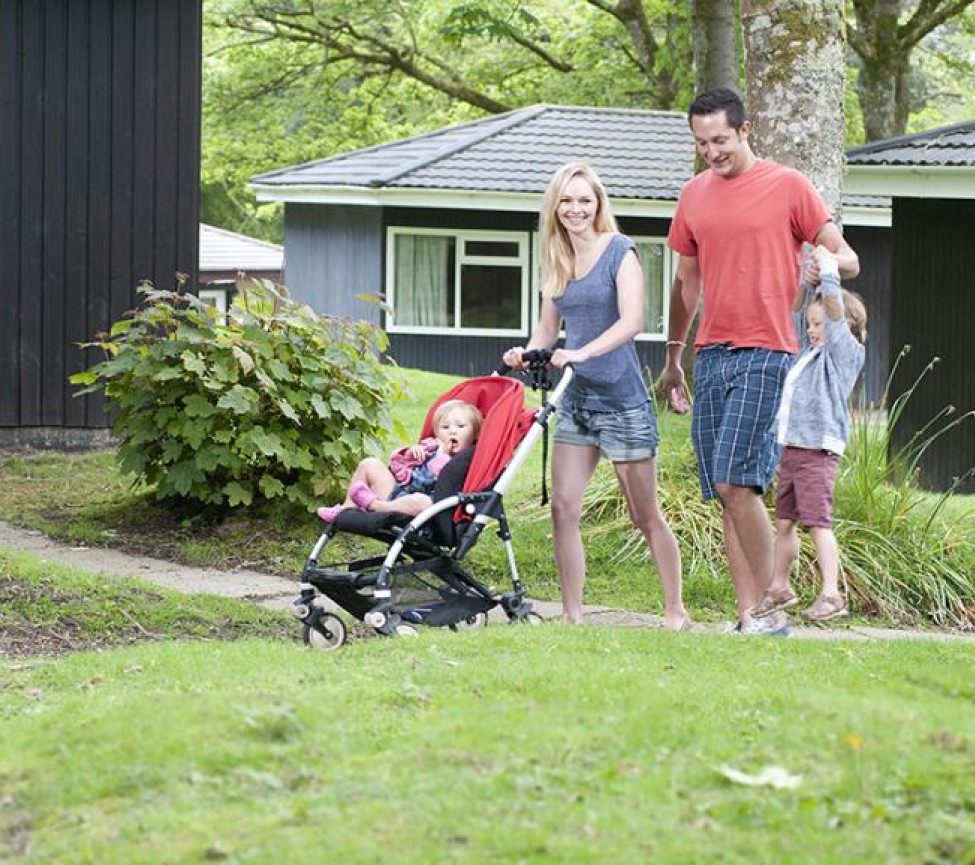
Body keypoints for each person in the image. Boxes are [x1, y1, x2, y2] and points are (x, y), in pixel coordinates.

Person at [662, 87, 860, 635]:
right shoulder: (693, 196)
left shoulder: (788, 186)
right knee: (726, 493)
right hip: (712, 354)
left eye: (720, 140)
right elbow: (686, 283)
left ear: (746, 131)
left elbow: (848, 257)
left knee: (734, 481)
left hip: (770, 350)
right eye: (702, 143)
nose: (712, 152)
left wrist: (827, 259)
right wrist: (675, 355)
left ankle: (776, 592)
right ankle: (752, 617)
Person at [503, 162, 689, 630]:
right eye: (566, 200)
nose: (575, 209)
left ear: (598, 203)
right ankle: (572, 615)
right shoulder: (557, 260)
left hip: (622, 401)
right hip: (576, 402)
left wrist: (580, 351)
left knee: (643, 515)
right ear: (555, 207)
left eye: (584, 200)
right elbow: (547, 331)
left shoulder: (619, 251)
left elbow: (632, 322)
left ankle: (676, 612)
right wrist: (526, 355)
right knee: (564, 508)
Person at [749, 247, 867, 623]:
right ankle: (779, 587)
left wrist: (830, 274)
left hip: (818, 452)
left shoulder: (845, 355)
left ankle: (831, 594)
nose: (813, 330)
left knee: (818, 521)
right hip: (793, 449)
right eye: (813, 326)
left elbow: (832, 319)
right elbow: (796, 313)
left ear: (844, 326)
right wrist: (807, 276)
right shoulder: (808, 355)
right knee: (784, 522)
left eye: (820, 325)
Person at [316, 399, 483, 522]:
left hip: (421, 508)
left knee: (423, 502)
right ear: (437, 433)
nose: (452, 432)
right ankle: (346, 508)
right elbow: (402, 471)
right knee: (369, 464)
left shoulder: (467, 460)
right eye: (445, 427)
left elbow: (426, 485)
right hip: (398, 494)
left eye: (460, 427)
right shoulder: (429, 447)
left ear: (475, 433)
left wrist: (442, 456)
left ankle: (374, 505)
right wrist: (410, 455)